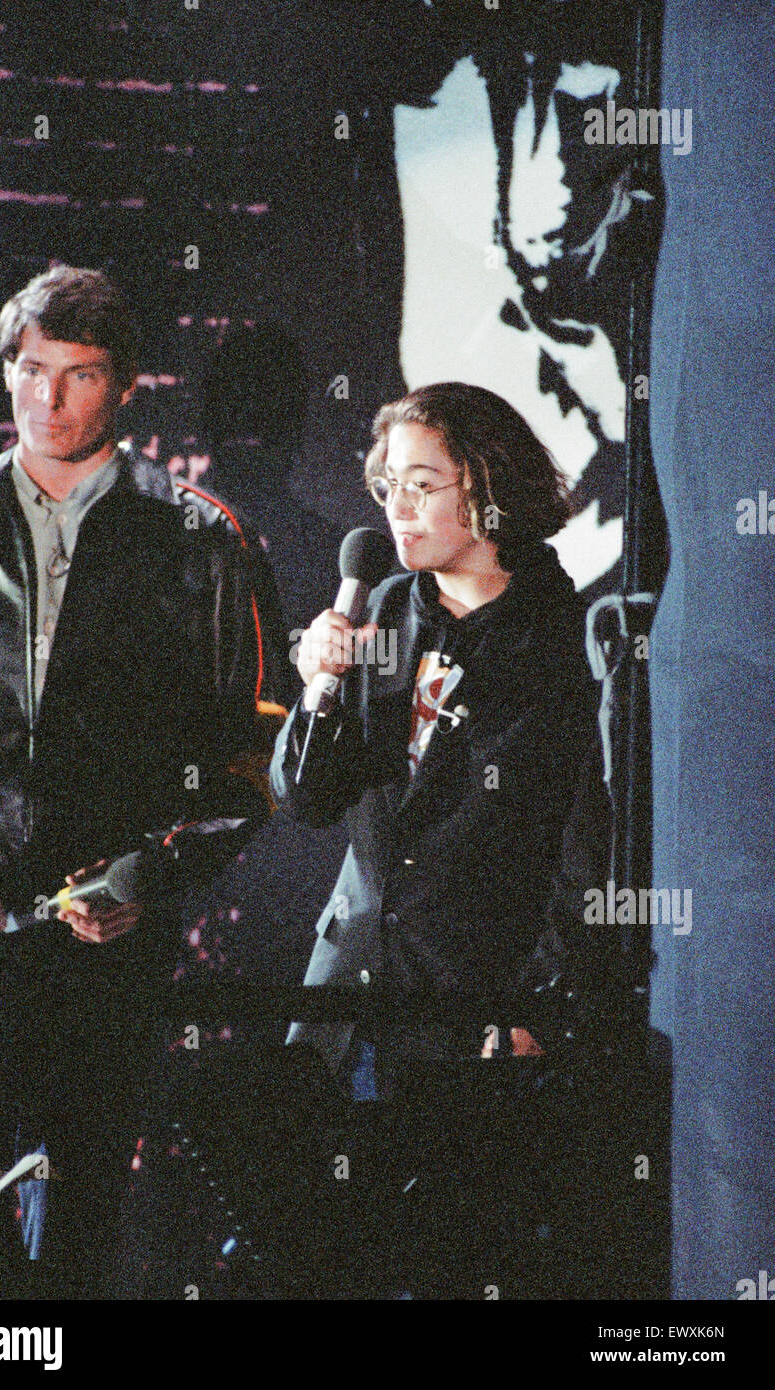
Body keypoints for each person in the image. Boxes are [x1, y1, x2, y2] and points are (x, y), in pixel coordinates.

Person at [0, 264, 286, 1297]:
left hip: (108, 941)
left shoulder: (206, 539)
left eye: (78, 376)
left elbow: (251, 753)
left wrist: (150, 875)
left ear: (126, 388)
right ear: (6, 370)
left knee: (82, 1220)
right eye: (32, 371)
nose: (48, 398)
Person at [270, 381, 600, 1296]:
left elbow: (583, 845)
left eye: (423, 483)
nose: (398, 507)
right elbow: (305, 800)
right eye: (386, 486)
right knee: (313, 1251)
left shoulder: (561, 640)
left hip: (471, 997)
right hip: (346, 987)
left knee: (448, 1258)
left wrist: (542, 1000)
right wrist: (317, 689)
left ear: (487, 491)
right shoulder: (380, 607)